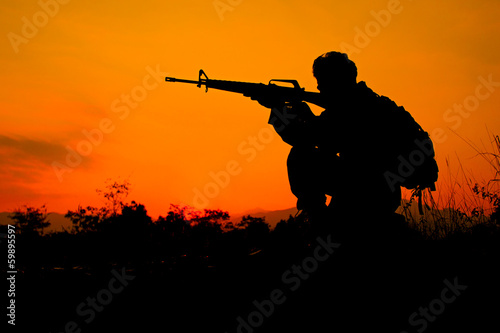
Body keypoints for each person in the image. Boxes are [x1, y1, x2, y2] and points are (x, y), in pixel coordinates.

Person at [254, 51, 407, 232]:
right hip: (375, 187)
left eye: (322, 82)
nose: (318, 88)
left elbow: (307, 138)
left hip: (367, 187)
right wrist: (290, 112)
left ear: (335, 80)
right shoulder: (367, 102)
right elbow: (320, 135)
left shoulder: (356, 107)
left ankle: (320, 226)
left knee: (300, 156)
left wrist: (280, 109)